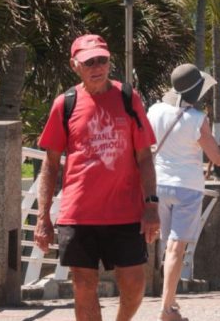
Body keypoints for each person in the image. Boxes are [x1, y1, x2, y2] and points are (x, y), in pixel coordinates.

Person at [35, 34, 160, 321]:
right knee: (83, 286)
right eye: (89, 62)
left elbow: (144, 157)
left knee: (134, 283)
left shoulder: (128, 98)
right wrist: (43, 217)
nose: (97, 67)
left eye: (102, 60)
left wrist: (152, 205)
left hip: (125, 211)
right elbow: (50, 164)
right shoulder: (65, 104)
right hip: (79, 213)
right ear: (75, 65)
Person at [147, 63, 220, 321]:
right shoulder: (197, 119)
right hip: (187, 187)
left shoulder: (155, 110)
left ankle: (168, 303)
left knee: (164, 245)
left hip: (158, 184)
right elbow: (218, 158)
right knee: (176, 248)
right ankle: (166, 308)